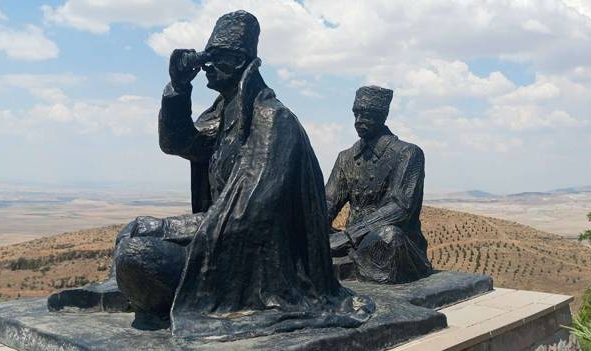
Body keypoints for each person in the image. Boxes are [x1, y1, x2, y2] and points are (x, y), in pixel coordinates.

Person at [49, 10, 373, 339]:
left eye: (215, 58)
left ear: (239, 62)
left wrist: (164, 227)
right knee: (129, 237)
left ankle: (145, 293)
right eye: (206, 57)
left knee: (136, 255)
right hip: (222, 244)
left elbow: (246, 216)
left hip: (255, 267)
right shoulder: (225, 112)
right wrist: (178, 87)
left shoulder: (272, 120)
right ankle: (132, 291)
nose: (206, 66)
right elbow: (179, 142)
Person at [326, 85, 433, 284]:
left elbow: (401, 208)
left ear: (382, 116)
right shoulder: (346, 157)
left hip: (392, 243)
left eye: (366, 115)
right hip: (351, 243)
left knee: (387, 236)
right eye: (356, 114)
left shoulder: (407, 154)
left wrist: (350, 236)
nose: (358, 121)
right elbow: (329, 201)